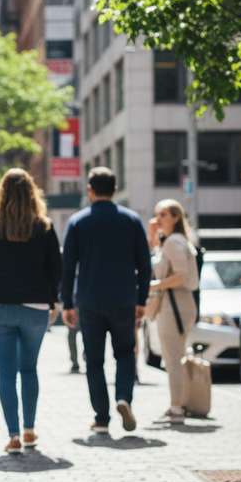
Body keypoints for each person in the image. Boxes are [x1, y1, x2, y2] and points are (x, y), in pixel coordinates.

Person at [0, 169, 63, 453]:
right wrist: (52, 299)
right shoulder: (44, 226)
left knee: (6, 374)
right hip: (35, 307)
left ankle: (13, 436)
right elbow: (56, 268)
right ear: (32, 193)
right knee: (29, 369)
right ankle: (30, 430)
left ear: (1, 194)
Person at [61, 167, 151, 435]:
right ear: (114, 190)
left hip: (89, 301)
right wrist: (141, 299)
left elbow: (68, 266)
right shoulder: (132, 220)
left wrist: (67, 303)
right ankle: (123, 397)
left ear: (90, 190)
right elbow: (144, 265)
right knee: (125, 353)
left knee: (94, 360)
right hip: (124, 299)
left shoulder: (78, 222)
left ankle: (101, 418)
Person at [147, 199, 199, 424]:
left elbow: (181, 276)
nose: (158, 219)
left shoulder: (174, 242)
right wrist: (153, 237)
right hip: (177, 303)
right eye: (157, 214)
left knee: (173, 359)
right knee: (172, 357)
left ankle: (177, 407)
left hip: (175, 304)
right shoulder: (172, 241)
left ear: (176, 218)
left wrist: (155, 285)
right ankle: (178, 404)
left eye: (164, 214)